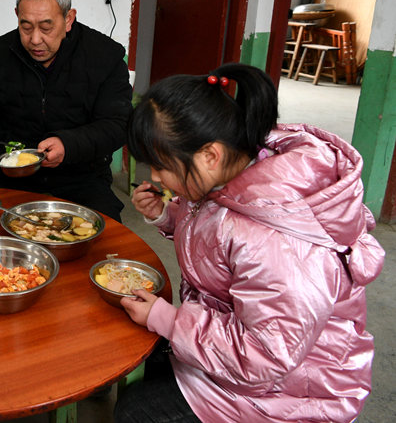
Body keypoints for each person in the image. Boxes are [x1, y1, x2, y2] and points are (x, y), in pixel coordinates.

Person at [115, 63, 385, 423]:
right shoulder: (238, 173)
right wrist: (167, 215)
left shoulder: (277, 240)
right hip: (248, 353)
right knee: (144, 352)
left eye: (161, 167)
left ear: (209, 155)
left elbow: (265, 356)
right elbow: (214, 232)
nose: (154, 177)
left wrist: (168, 320)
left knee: (136, 412)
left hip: (294, 391)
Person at [0, 0, 132, 222]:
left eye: (46, 27)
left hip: (82, 178)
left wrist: (68, 144)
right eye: (26, 27)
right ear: (17, 15)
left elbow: (117, 125)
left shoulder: (105, 56)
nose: (35, 39)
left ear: (68, 19)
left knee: (106, 238)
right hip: (13, 176)